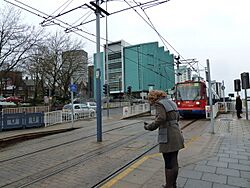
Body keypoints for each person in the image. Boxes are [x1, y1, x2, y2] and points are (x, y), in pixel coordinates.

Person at [144, 90, 184, 188]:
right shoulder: (172, 102)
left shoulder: (159, 103)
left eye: (150, 100)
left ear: (154, 98)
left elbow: (161, 118)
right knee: (174, 161)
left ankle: (168, 186)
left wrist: (149, 127)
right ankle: (173, 185)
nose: (151, 103)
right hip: (176, 133)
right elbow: (178, 117)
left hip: (168, 136)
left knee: (168, 162)